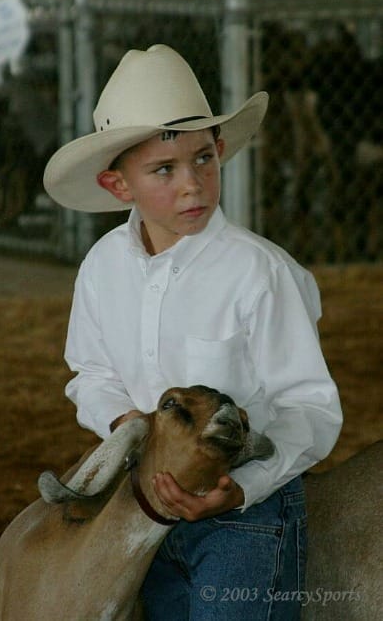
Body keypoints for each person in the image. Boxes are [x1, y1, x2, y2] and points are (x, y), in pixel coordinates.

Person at [43, 44, 342, 620]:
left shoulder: (261, 273)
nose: (193, 185)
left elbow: (310, 405)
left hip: (244, 517)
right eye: (164, 169)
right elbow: (92, 372)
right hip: (144, 506)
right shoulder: (103, 268)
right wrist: (126, 423)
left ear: (221, 150)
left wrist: (245, 487)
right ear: (117, 185)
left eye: (204, 159)